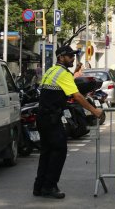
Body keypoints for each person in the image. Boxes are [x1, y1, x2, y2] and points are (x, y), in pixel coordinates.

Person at [33, 45, 104, 199]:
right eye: (70, 56)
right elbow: (77, 96)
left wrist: (75, 70)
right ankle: (49, 186)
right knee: (59, 151)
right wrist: (95, 111)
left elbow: (64, 83)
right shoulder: (62, 73)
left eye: (74, 56)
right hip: (52, 119)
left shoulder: (52, 71)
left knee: (46, 152)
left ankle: (39, 186)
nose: (73, 58)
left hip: (43, 117)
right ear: (61, 57)